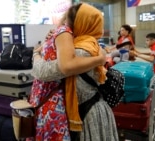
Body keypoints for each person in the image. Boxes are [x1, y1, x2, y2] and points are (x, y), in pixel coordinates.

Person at [29, 3, 118, 141]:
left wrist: (36, 55)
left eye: (69, 19)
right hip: (89, 109)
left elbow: (44, 72)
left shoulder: (81, 50)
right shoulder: (88, 43)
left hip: (88, 114)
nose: (66, 23)